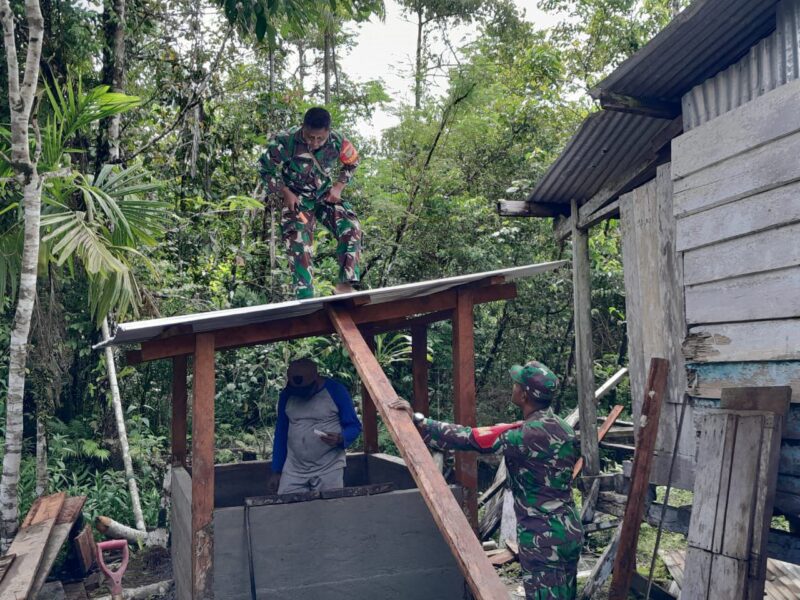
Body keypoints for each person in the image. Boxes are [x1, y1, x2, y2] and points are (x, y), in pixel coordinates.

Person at [391, 360, 583, 600]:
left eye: (516, 384)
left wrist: (419, 421)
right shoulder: (562, 427)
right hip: (569, 529)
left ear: (524, 395)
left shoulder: (524, 435)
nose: (512, 387)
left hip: (542, 537)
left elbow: (470, 438)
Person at [258, 107, 363, 299]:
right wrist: (285, 192)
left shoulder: (338, 141)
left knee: (351, 226)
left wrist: (338, 188)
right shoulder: (286, 140)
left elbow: (353, 162)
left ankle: (345, 284)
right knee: (298, 240)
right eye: (310, 137)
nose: (314, 143)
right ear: (303, 128)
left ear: (328, 132)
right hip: (296, 200)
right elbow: (265, 168)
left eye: (320, 139)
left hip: (324, 196)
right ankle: (306, 297)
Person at [269, 358, 362, 495]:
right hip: (294, 468)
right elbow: (281, 433)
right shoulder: (287, 395)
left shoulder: (336, 391)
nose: (301, 394)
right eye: (297, 390)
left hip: (328, 467)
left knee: (331, 508)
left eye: (305, 390)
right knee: (287, 509)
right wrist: (276, 470)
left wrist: (341, 438)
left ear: (316, 379)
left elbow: (354, 426)